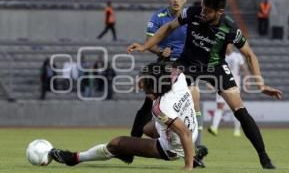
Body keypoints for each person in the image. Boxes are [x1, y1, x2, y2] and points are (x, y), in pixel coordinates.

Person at [127, 0, 282, 169]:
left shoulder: (230, 28)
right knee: (153, 92)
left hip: (215, 67)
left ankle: (264, 158)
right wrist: (146, 46)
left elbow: (249, 55)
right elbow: (169, 27)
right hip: (187, 64)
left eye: (207, 11)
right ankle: (133, 145)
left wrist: (260, 84)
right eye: (202, 7)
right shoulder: (192, 12)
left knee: (240, 111)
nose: (202, 12)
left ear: (220, 12)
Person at [49, 63, 199, 170]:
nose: (141, 86)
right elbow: (193, 89)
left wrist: (188, 167)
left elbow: (184, 133)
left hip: (172, 147)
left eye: (144, 84)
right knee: (146, 129)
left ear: (155, 87)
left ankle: (74, 158)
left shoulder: (161, 108)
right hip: (191, 131)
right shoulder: (178, 76)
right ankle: (189, 153)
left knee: (117, 143)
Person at [129, 0, 207, 167]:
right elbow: (150, 42)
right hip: (164, 67)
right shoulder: (158, 17)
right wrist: (159, 51)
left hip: (186, 67)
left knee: (192, 102)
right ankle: (131, 147)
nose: (176, 0)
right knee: (148, 106)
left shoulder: (193, 18)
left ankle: (195, 151)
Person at [208, 44, 249, 137]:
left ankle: (237, 130)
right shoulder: (219, 57)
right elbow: (213, 70)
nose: (227, 46)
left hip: (234, 85)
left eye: (228, 45)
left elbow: (245, 70)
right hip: (221, 84)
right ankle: (214, 128)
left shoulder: (237, 56)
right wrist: (210, 82)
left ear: (231, 45)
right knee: (219, 106)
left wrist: (247, 81)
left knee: (236, 107)